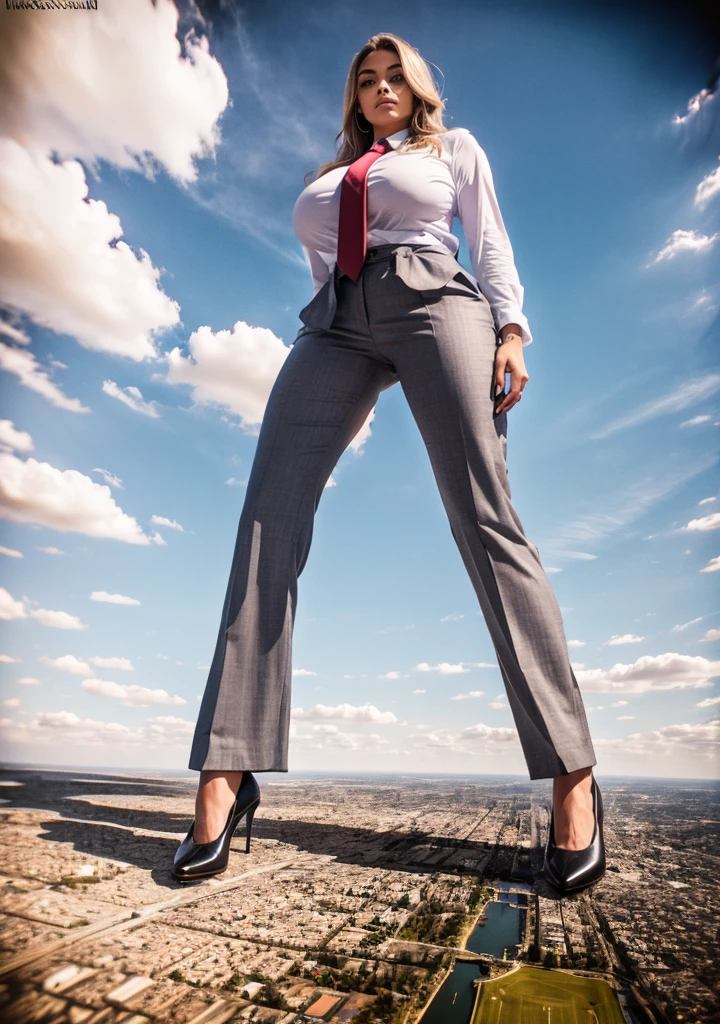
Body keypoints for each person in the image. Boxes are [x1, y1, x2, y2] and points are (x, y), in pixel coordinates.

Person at [173, 33, 606, 896]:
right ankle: (227, 772)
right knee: (269, 514)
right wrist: (337, 303)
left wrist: (512, 329)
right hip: (334, 318)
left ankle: (574, 777)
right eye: (364, 80)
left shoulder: (453, 150)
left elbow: (489, 241)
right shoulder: (328, 177)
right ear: (353, 97)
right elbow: (321, 252)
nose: (379, 88)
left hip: (433, 297)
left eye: (393, 77)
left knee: (484, 517)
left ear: (416, 89)